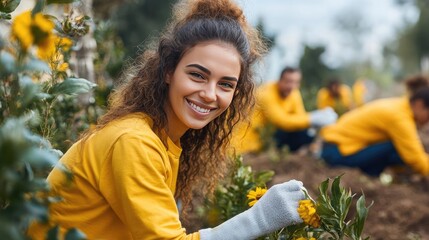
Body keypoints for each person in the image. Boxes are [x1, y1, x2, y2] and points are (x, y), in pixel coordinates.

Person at [28, 0, 306, 239]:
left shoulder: (164, 138)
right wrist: (260, 218)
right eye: (197, 75)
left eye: (225, 84)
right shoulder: (134, 141)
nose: (210, 94)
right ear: (168, 71)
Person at [319, 75, 429, 177]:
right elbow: (414, 158)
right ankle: (371, 174)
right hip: (336, 153)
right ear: (419, 104)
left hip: (334, 148)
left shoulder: (398, 105)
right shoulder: (399, 117)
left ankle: (374, 175)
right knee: (396, 147)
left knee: (397, 149)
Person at [231, 66, 338, 154]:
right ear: (280, 80)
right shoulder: (267, 93)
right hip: (251, 139)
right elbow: (281, 121)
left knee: (305, 134)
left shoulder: (294, 93)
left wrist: (312, 125)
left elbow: (300, 116)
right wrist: (312, 119)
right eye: (288, 81)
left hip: (272, 134)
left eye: (295, 82)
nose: (291, 86)